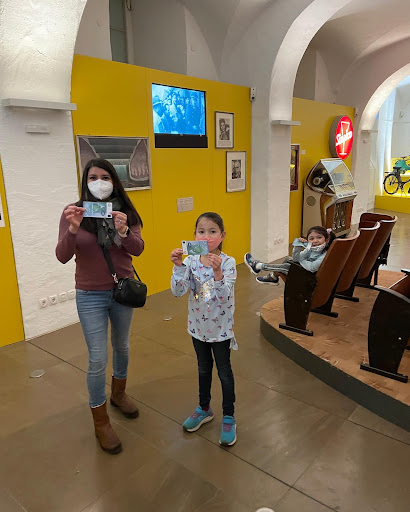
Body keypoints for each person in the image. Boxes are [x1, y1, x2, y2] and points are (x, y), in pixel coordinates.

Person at [56, 158, 144, 455]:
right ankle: (101, 421)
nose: (99, 183)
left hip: (122, 291)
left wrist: (123, 231)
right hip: (90, 294)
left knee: (122, 346)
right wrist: (72, 229)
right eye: (93, 177)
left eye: (105, 177)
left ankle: (119, 394)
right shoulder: (75, 212)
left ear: (114, 181)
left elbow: (138, 249)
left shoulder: (126, 212)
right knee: (97, 358)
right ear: (85, 182)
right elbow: (62, 256)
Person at [170, 212, 238, 446]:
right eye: (201, 231)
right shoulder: (190, 261)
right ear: (194, 236)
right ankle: (204, 408)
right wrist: (178, 267)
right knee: (203, 369)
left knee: (224, 373)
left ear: (222, 236)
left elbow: (225, 297)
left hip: (221, 330)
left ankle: (229, 416)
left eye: (212, 231)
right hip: (198, 328)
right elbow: (178, 291)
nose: (206, 236)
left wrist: (217, 272)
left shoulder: (228, 263)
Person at [244, 226, 335, 285]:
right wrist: (298, 246)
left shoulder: (325, 254)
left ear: (327, 240)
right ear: (308, 241)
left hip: (311, 280)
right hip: (306, 273)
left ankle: (258, 266)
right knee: (288, 259)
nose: (315, 241)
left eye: (319, 237)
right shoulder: (311, 249)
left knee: (287, 266)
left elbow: (312, 267)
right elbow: (296, 258)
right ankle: (273, 277)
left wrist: (299, 261)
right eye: (311, 238)